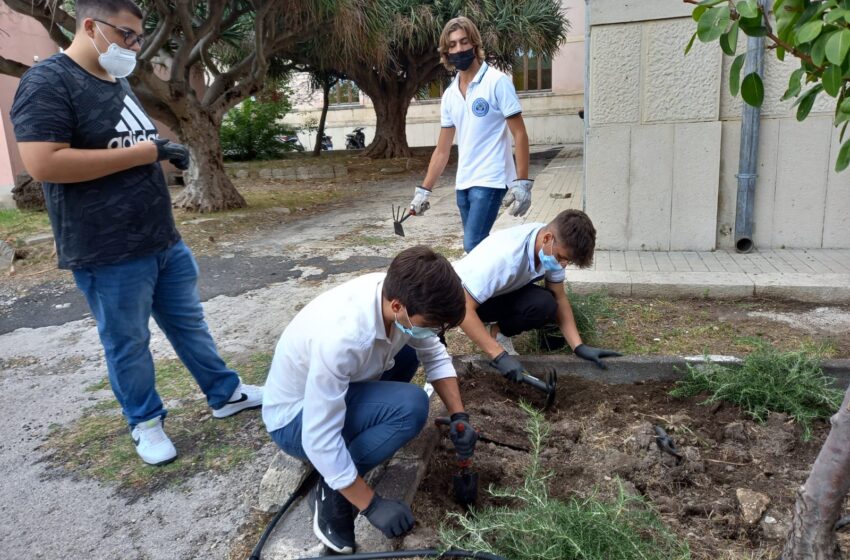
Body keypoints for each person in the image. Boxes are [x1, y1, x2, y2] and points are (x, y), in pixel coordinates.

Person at [10, 0, 262, 467]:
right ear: (90, 26)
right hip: (106, 249)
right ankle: (144, 422)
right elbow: (45, 163)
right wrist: (147, 154)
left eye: (138, 36)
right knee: (127, 341)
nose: (134, 45)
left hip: (160, 238)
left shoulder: (116, 78)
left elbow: (126, 143)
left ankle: (225, 394)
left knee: (190, 324)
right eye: (125, 34)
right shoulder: (47, 82)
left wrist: (160, 149)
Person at [263, 246, 477, 554]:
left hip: (336, 388)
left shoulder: (397, 292)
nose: (435, 333)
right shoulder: (344, 339)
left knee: (406, 355)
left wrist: (459, 416)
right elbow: (319, 437)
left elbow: (433, 353)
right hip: (294, 421)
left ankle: (349, 462)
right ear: (397, 306)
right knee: (411, 407)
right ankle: (332, 489)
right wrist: (371, 504)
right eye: (431, 324)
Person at [408, 16, 533, 253]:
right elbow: (443, 150)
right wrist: (424, 191)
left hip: (491, 178)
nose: (459, 49)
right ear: (446, 52)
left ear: (474, 43)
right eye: (452, 45)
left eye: (464, 42)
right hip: (464, 181)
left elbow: (520, 134)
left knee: (472, 244)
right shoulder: (450, 95)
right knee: (479, 249)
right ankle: (500, 286)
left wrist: (522, 182)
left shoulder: (497, 82)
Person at [453, 209, 621, 378]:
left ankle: (497, 333)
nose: (563, 265)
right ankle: (488, 337)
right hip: (458, 298)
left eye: (567, 261)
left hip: (497, 292)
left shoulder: (549, 244)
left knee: (545, 304)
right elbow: (464, 309)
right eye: (562, 258)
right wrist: (499, 356)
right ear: (547, 239)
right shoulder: (505, 259)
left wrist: (579, 346)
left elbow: (559, 297)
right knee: (463, 310)